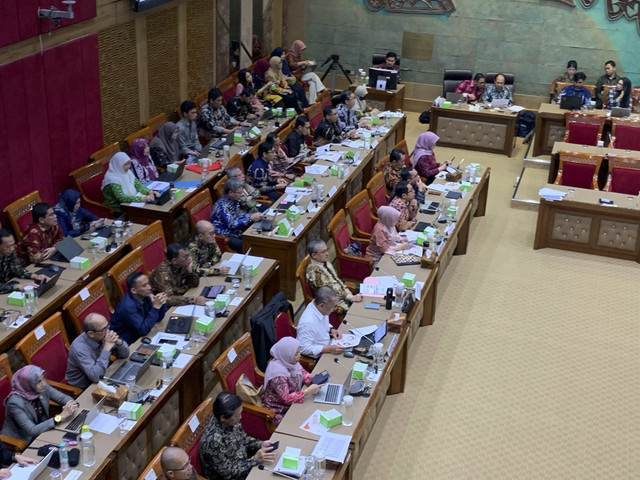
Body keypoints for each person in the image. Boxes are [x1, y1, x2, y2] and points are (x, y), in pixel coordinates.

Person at [199, 392, 276, 480]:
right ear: (223, 418)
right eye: (236, 416)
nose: (240, 418)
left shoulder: (231, 420)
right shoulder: (213, 441)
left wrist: (260, 444)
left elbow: (243, 439)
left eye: (240, 413)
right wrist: (255, 459)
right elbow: (228, 474)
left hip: (246, 466)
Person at [2, 365, 78, 444]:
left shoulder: (40, 387)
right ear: (27, 384)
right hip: (23, 440)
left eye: (43, 378)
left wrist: (70, 405)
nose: (44, 383)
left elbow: (62, 398)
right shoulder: (14, 403)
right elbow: (32, 430)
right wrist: (59, 417)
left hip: (44, 428)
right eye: (39, 381)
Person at [260, 337, 321, 425]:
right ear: (287, 354)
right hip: (279, 409)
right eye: (296, 354)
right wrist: (307, 391)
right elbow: (286, 399)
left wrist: (313, 379)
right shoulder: (277, 374)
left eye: (299, 352)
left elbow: (303, 373)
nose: (299, 355)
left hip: (294, 400)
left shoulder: (289, 361)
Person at [66, 313, 129, 389]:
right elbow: (96, 377)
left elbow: (125, 354)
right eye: (104, 329)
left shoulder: (103, 335)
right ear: (91, 334)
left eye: (108, 326)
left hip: (104, 373)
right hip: (85, 387)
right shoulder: (79, 348)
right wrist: (106, 349)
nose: (108, 331)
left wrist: (119, 342)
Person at [110, 271, 168, 345]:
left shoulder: (146, 294)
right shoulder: (127, 307)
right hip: (127, 341)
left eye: (148, 283)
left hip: (143, 333)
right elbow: (143, 330)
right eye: (144, 286)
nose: (149, 287)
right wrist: (155, 308)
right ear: (134, 290)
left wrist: (161, 303)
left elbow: (158, 318)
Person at [305, 239, 362, 310]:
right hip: (335, 305)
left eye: (326, 250)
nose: (327, 254)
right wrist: (350, 297)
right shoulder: (315, 273)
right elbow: (330, 292)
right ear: (314, 255)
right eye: (323, 252)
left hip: (344, 295)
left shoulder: (324, 261)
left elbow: (336, 280)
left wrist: (346, 289)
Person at [210, 178, 263, 252]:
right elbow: (232, 224)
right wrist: (251, 218)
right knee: (250, 246)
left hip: (236, 231)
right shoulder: (222, 206)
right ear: (231, 193)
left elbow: (239, 215)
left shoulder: (234, 200)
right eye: (239, 193)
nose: (241, 195)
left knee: (258, 239)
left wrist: (252, 215)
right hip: (225, 236)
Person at [297, 286, 344, 357]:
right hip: (320, 355)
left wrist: (332, 329)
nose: (334, 309)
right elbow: (303, 348)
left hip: (329, 345)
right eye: (333, 306)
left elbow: (321, 323)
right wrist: (328, 349)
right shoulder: (308, 323)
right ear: (321, 305)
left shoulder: (318, 307)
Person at [0, 229, 47, 294]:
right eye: (8, 246)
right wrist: (18, 286)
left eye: (13, 244)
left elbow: (17, 269)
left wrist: (35, 276)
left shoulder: (9, 252)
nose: (12, 248)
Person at [285, 40, 327, 104]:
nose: (301, 52)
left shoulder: (298, 55)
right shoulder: (290, 55)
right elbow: (291, 64)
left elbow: (299, 67)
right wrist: (302, 62)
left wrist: (306, 66)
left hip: (300, 74)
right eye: (301, 50)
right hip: (294, 76)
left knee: (312, 83)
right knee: (313, 75)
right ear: (297, 48)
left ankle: (312, 102)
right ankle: (322, 90)